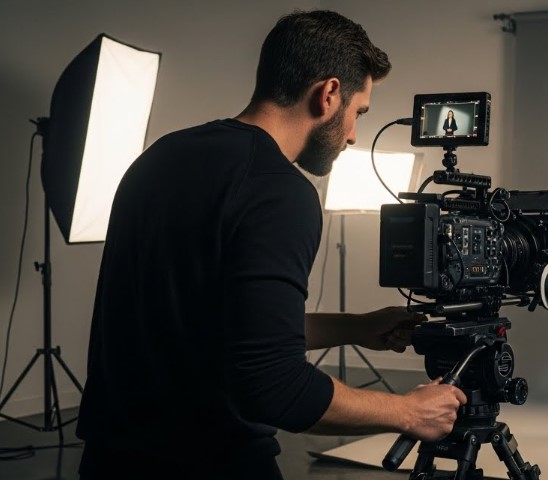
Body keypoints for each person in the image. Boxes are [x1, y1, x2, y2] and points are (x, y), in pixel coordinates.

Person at [76, 10, 466, 479]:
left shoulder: (160, 156)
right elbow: (274, 386)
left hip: (110, 459)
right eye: (358, 112)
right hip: (212, 463)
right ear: (329, 94)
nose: (352, 135)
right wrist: (408, 412)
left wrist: (357, 328)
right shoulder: (280, 191)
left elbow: (223, 326)